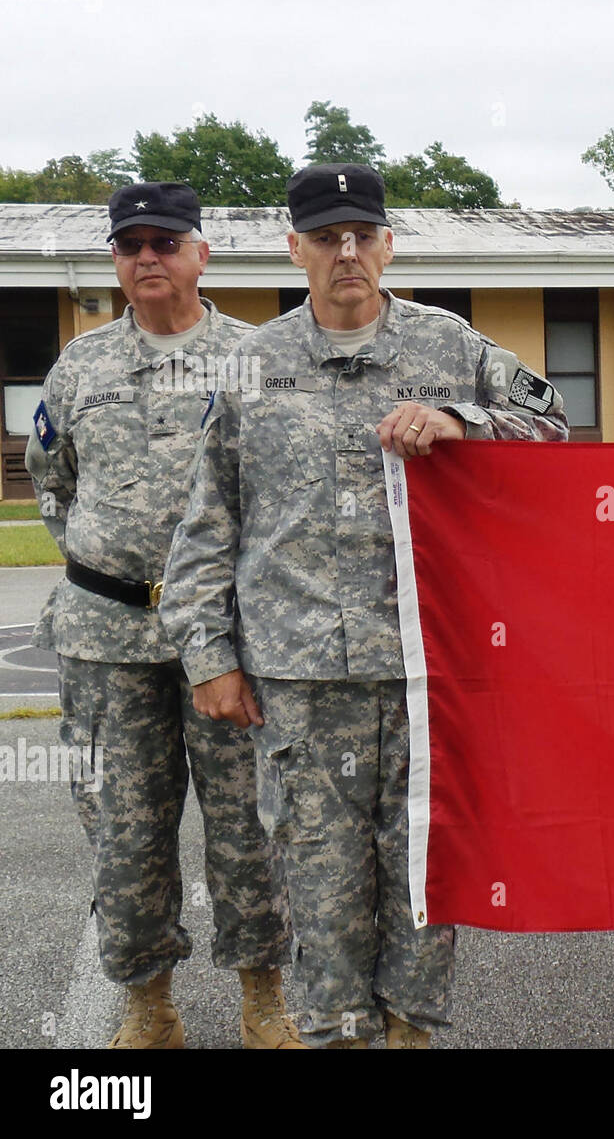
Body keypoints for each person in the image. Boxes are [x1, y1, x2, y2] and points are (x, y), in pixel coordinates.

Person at [159, 164, 568, 1049]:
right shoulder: (253, 369)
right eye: (326, 236)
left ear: (387, 244)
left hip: (427, 673)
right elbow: (205, 528)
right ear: (295, 248)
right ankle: (338, 1036)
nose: (347, 252)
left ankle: (410, 1034)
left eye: (363, 234)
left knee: (425, 871)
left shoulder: (448, 346)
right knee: (317, 880)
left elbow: (554, 424)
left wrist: (465, 421)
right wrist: (210, 658)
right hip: (298, 683)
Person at [25, 182, 298, 1049]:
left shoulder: (256, 359)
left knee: (251, 827)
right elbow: (50, 480)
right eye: (130, 243)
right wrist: (108, 561)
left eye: (165, 242)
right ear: (114, 258)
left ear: (200, 254)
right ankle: (150, 1005)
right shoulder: (79, 366)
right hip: (106, 644)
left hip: (225, 643)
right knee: (124, 834)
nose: (147, 256)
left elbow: (285, 493)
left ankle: (265, 1000)